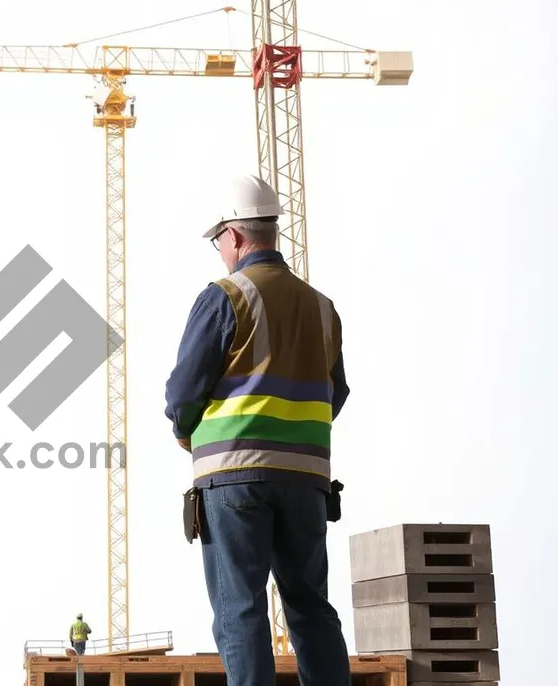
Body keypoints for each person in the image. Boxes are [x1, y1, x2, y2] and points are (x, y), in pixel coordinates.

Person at [163, 174, 351, 686]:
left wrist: (187, 432)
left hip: (234, 479)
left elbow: (183, 393)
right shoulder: (322, 307)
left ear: (236, 235)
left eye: (217, 240)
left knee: (240, 610)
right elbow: (337, 391)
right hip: (306, 482)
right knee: (311, 607)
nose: (218, 250)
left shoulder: (225, 296)